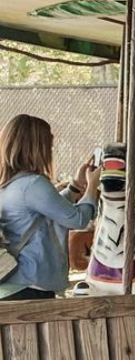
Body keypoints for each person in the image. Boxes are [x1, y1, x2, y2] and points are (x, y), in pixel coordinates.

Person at [0, 114, 100, 301]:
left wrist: (76, 186)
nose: (51, 150)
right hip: (30, 284)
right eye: (48, 145)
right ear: (37, 147)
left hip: (10, 285)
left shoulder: (10, 184)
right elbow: (77, 219)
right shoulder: (34, 183)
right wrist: (92, 187)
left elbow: (46, 210)